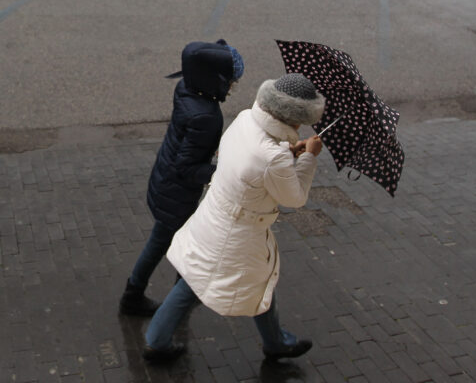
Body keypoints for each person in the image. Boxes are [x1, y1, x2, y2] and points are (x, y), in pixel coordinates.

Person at [141, 73, 325, 362]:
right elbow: (295, 197)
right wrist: (308, 158)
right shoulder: (273, 157)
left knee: (202, 278)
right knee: (235, 281)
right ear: (293, 117)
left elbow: (251, 165)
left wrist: (288, 149)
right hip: (239, 234)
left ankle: (159, 338)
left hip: (213, 217)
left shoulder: (245, 120)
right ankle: (274, 343)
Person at [119, 39, 244, 317]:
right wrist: (222, 171)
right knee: (177, 244)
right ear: (213, 79)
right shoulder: (207, 115)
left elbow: (187, 149)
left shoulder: (187, 89)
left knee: (163, 241)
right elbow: (186, 167)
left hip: (165, 181)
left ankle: (142, 294)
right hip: (177, 193)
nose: (233, 86)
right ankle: (162, 302)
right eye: (230, 81)